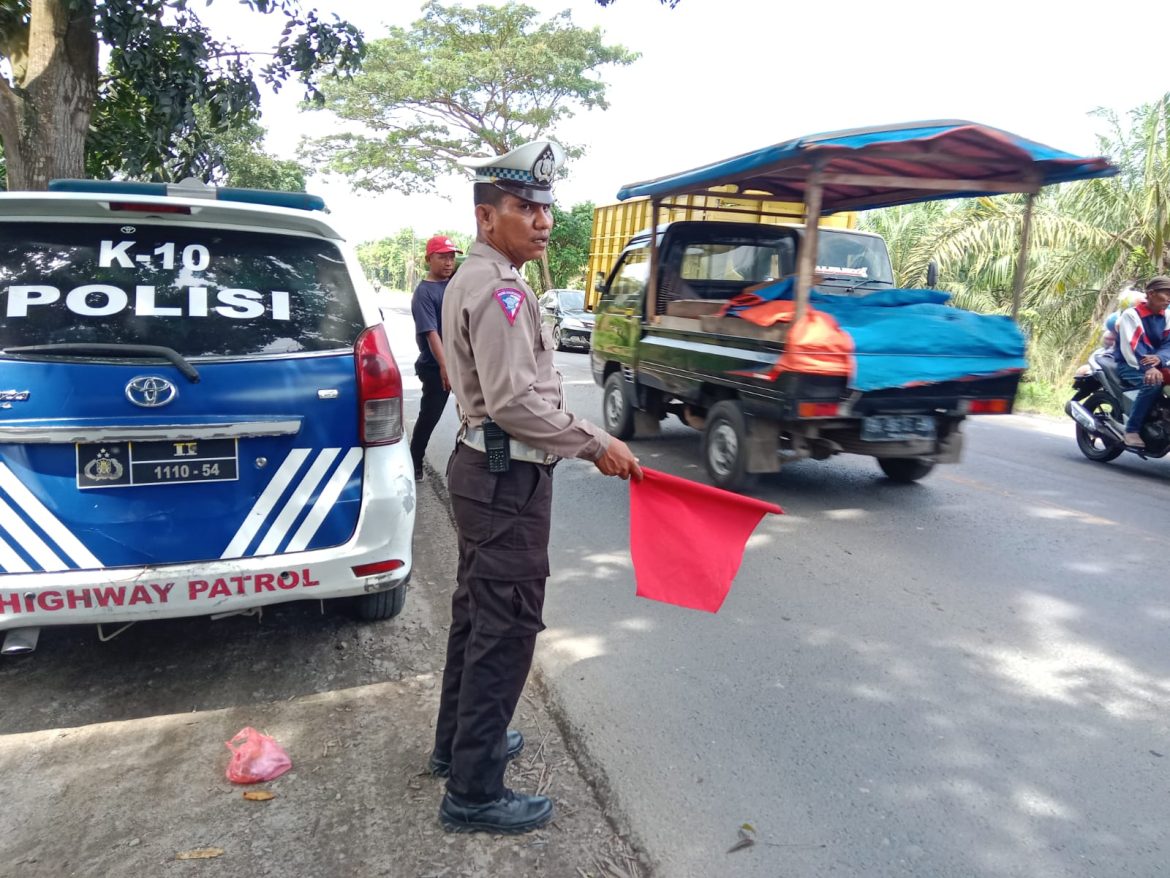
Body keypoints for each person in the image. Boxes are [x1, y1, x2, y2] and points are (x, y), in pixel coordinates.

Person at [431, 140, 642, 835]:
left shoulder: (485, 276)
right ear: (488, 217)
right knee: (506, 627)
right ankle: (474, 791)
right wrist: (596, 442)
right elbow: (516, 404)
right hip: (505, 479)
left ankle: (459, 746)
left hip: (489, 474)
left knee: (477, 615)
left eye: (546, 207)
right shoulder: (499, 289)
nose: (543, 220)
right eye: (525, 207)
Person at [409, 235, 463, 480]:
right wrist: (444, 366)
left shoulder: (455, 285)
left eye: (452, 257)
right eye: (442, 257)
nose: (449, 262)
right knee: (430, 416)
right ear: (429, 259)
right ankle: (414, 460)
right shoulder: (424, 293)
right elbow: (431, 333)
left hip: (462, 363)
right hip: (436, 367)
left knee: (477, 414)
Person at [1113, 275, 1170, 447]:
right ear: (1151, 294)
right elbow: (1134, 346)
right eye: (1166, 294)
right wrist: (1149, 368)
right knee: (1153, 383)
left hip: (1158, 364)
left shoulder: (1167, 316)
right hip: (1132, 365)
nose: (1169, 299)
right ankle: (1132, 430)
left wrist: (1160, 358)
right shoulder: (1131, 315)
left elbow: (1169, 344)